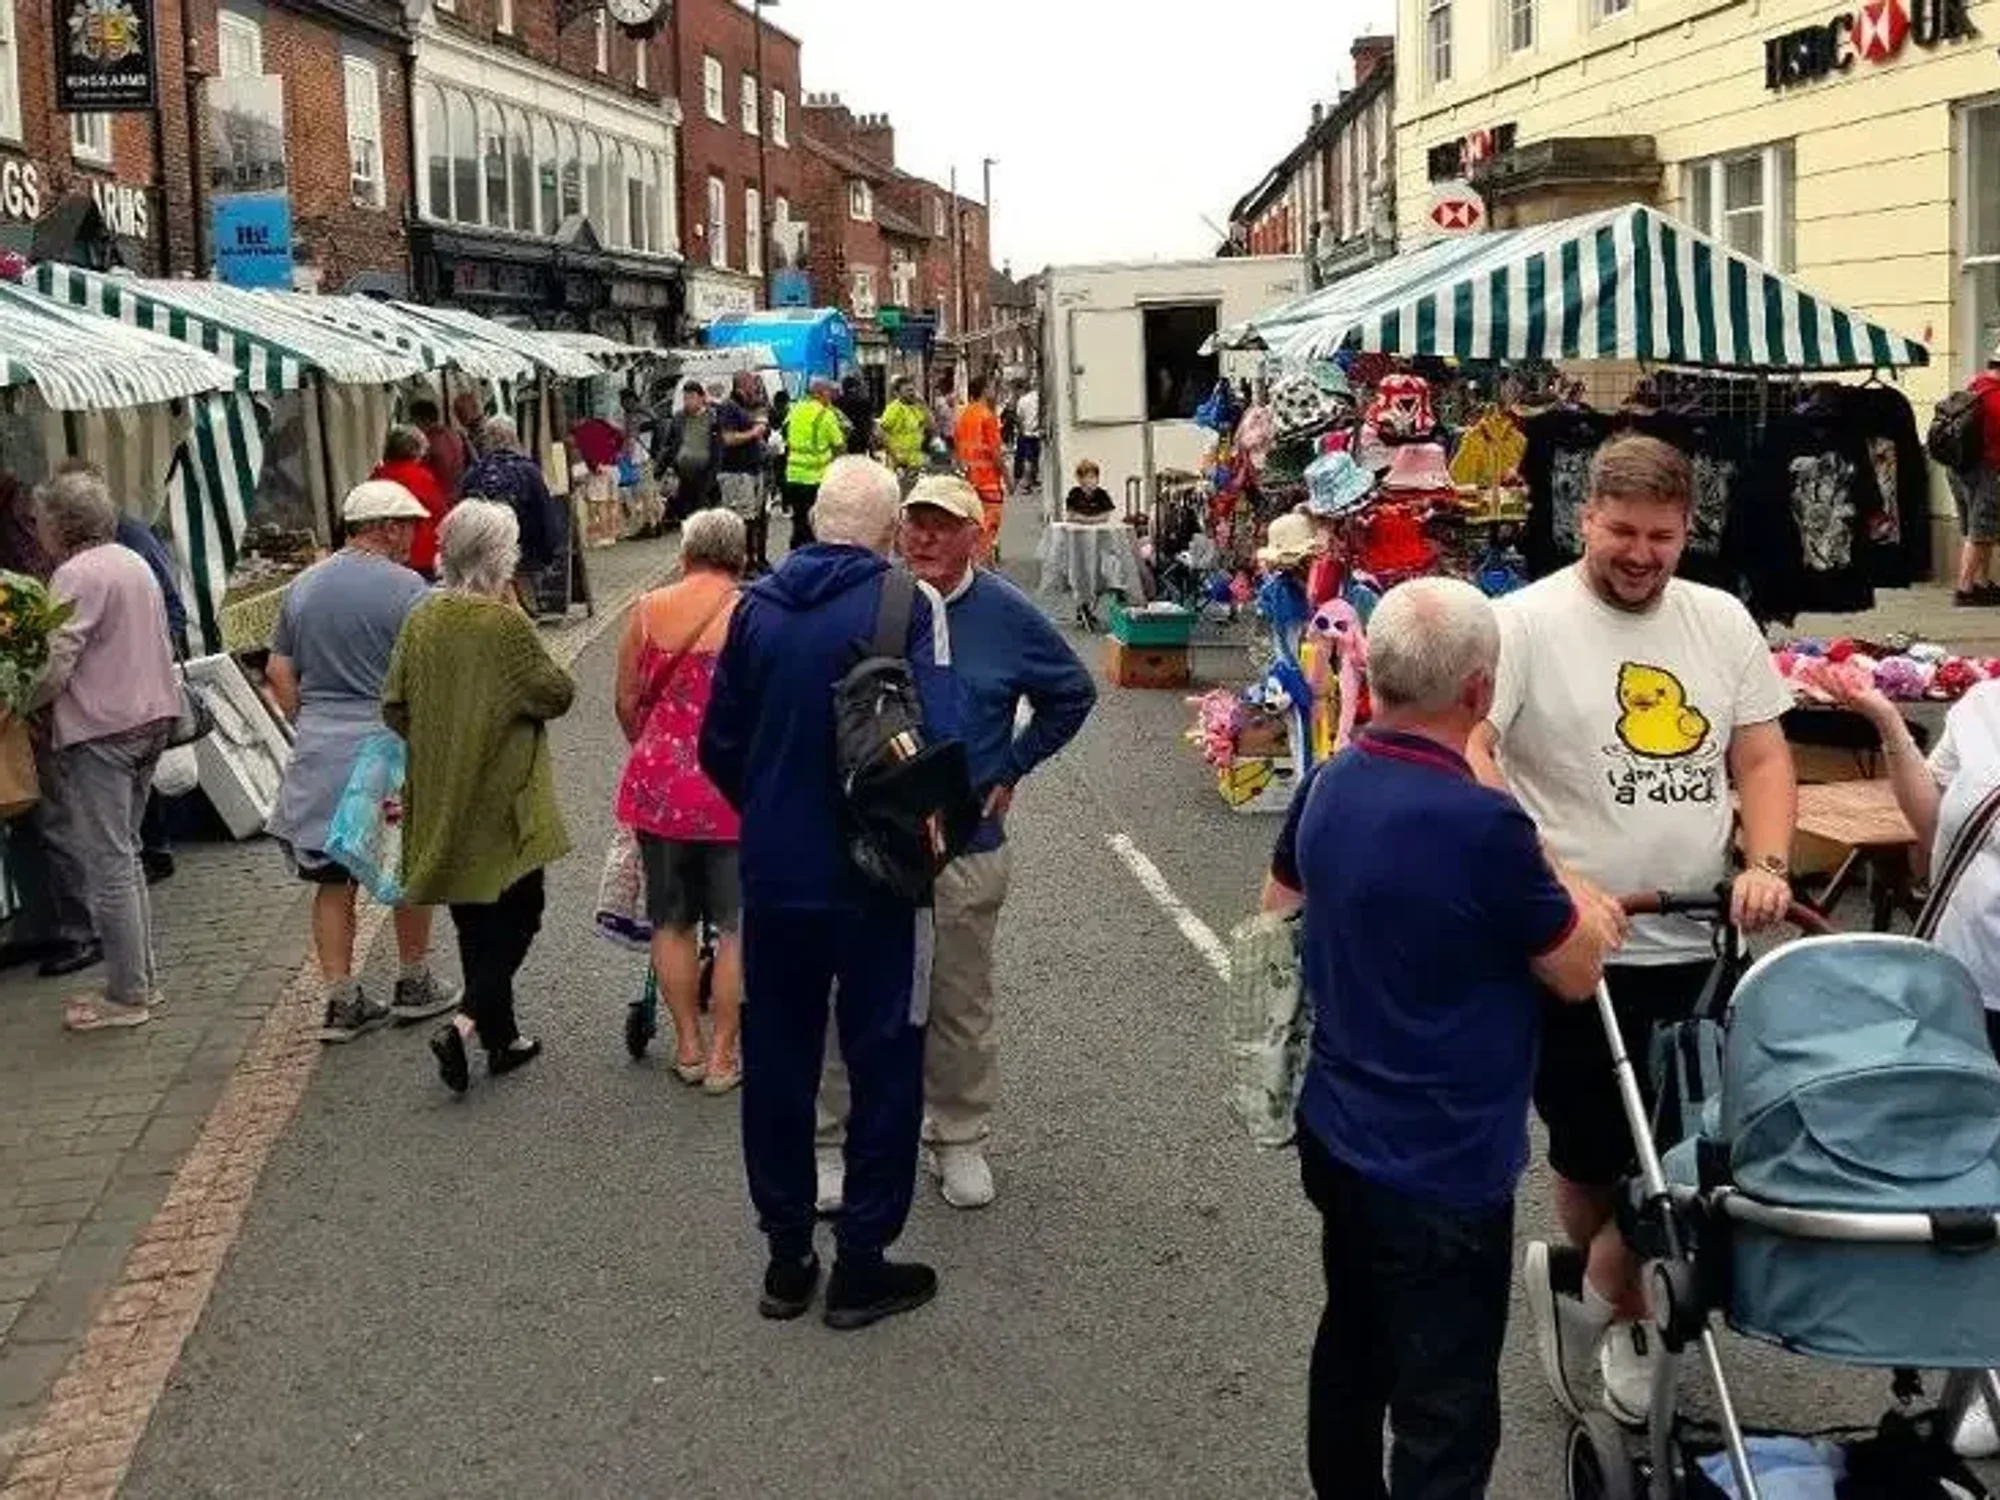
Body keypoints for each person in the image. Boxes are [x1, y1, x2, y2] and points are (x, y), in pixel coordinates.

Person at [1465, 433, 1797, 1428]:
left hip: (1699, 938)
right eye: (1621, 531)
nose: (1640, 553)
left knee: (1693, 1148)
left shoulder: (1719, 621)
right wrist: (1551, 876)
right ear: (1582, 520)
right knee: (1590, 1154)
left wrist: (1765, 866)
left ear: (1686, 529)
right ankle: (1601, 1282)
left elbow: (1761, 758)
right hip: (1576, 947)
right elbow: (1473, 749)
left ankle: (1611, 1301)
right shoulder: (1517, 625)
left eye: (1660, 535)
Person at [1263, 577, 1620, 1500]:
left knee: (1355, 1338)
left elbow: (1276, 916)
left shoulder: (1331, 783)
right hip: (1446, 1152)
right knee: (1448, 1395)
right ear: (1476, 692)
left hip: (1339, 1124)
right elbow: (1574, 970)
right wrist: (1582, 897)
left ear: (1372, 675)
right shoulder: (1483, 823)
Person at [699, 456, 960, 1331]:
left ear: (811, 520)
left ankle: (785, 1256)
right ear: (888, 530)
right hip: (879, 878)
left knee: (779, 1063)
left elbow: (718, 747)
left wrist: (773, 811)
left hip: (776, 874)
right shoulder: (905, 605)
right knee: (886, 1060)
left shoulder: (753, 611)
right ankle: (861, 1262)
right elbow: (938, 737)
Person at [817, 475, 1095, 1212]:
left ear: (979, 534)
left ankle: (959, 1137)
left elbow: (1072, 692)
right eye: (915, 524)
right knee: (848, 990)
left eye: (943, 526)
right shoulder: (873, 600)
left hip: (965, 841)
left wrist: (1013, 765)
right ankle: (828, 1141)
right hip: (868, 840)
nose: (925, 539)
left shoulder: (1006, 613)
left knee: (960, 998)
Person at [383, 501, 575, 1095]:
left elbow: (393, 704)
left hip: (441, 790)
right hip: (502, 795)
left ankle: (502, 1038)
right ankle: (467, 1024)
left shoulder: (423, 617)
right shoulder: (504, 625)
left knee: (473, 920)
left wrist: (441, 739)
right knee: (522, 913)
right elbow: (556, 692)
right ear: (501, 559)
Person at [266, 480, 459, 1044]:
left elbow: (279, 672)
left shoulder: (302, 586)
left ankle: (342, 1000)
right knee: (405, 865)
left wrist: (311, 720)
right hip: (386, 744)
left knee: (331, 879)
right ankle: (413, 979)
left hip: (320, 748)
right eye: (411, 526)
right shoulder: (410, 591)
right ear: (388, 526)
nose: (414, 538)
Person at [28, 469, 181, 1032]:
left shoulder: (75, 575)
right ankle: (141, 979)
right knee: (129, 854)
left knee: (111, 862)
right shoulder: (129, 560)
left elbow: (57, 662)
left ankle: (127, 994)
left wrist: (21, 699)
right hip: (150, 720)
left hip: (104, 731)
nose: (37, 528)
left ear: (60, 524)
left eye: (42, 519)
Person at [616, 508, 747, 1093]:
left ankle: (688, 1048)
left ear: (685, 552)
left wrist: (656, 749)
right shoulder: (753, 613)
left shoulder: (646, 612)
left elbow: (626, 702)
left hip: (662, 786)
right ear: (739, 557)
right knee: (737, 924)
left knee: (671, 920)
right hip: (734, 790)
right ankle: (724, 1057)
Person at [461, 416, 561, 579]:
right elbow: (546, 518)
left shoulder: (474, 473)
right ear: (514, 437)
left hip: (484, 559)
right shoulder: (529, 472)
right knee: (524, 601)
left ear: (487, 439)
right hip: (523, 556)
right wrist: (547, 556)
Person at [1950, 352, 2000, 606]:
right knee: (1980, 529)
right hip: (1983, 468)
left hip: (1958, 467)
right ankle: (1965, 589)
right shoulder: (1996, 397)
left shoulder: (1976, 386)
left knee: (1979, 526)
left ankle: (1982, 583)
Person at [369, 425, 451, 580]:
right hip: (419, 557)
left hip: (383, 554)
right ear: (415, 451)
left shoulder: (377, 476)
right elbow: (441, 515)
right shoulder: (422, 477)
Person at [782, 378, 846, 554]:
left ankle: (795, 556)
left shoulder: (795, 409)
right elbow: (839, 445)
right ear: (818, 393)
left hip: (793, 475)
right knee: (816, 523)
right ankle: (814, 559)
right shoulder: (826, 414)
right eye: (828, 392)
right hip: (817, 478)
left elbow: (784, 432)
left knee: (799, 521)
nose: (831, 396)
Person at [716, 372, 772, 570]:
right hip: (736, 472)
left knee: (754, 518)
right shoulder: (728, 407)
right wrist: (754, 433)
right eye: (753, 384)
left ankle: (754, 560)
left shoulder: (745, 406)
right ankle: (741, 563)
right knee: (741, 520)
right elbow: (728, 439)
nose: (756, 387)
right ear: (743, 384)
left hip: (752, 471)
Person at [953, 377, 1007, 560]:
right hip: (988, 481)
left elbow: (958, 448)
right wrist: (1008, 477)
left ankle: (976, 562)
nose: (994, 391)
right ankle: (983, 567)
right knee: (989, 526)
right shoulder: (987, 416)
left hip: (969, 480)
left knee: (974, 525)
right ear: (984, 390)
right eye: (991, 386)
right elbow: (996, 453)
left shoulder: (963, 416)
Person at [659, 379, 723, 521]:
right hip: (683, 474)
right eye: (685, 398)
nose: (688, 402)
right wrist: (661, 468)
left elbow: (719, 448)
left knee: (702, 513)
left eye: (692, 397)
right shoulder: (678, 418)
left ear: (702, 398)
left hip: (706, 475)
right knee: (686, 514)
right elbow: (669, 445)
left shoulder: (713, 418)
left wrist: (715, 473)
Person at [410, 394, 468, 500]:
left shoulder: (427, 442)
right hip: (458, 495)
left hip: (440, 497)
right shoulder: (453, 434)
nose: (413, 426)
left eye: (414, 421)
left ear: (423, 420)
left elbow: (417, 472)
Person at [878, 378, 930, 484]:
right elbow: (881, 432)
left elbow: (932, 426)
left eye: (913, 390)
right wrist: (895, 459)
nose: (912, 393)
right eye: (908, 390)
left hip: (915, 462)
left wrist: (924, 405)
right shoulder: (893, 409)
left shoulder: (916, 407)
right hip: (900, 464)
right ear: (897, 393)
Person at [1013, 384, 1042, 495]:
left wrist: (1022, 431)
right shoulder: (1039, 398)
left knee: (1028, 460)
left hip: (1026, 434)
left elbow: (1019, 418)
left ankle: (1027, 485)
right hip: (1037, 433)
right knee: (1035, 458)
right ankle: (1033, 481)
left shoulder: (1022, 400)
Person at [837, 375, 877, 457]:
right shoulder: (865, 402)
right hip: (861, 439)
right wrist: (872, 450)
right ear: (855, 387)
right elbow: (869, 423)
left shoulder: (837, 402)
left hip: (843, 439)